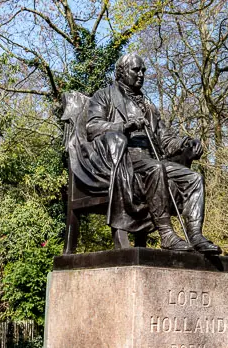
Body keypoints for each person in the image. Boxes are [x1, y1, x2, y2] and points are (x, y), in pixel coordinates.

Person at [72, 53, 220, 254]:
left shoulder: (148, 106)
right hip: (123, 157)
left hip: (151, 158)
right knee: (156, 168)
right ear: (122, 72)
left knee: (194, 178)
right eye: (136, 70)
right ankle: (166, 234)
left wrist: (185, 143)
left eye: (143, 70)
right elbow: (93, 128)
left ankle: (195, 235)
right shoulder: (105, 96)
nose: (141, 74)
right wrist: (125, 126)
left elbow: (165, 140)